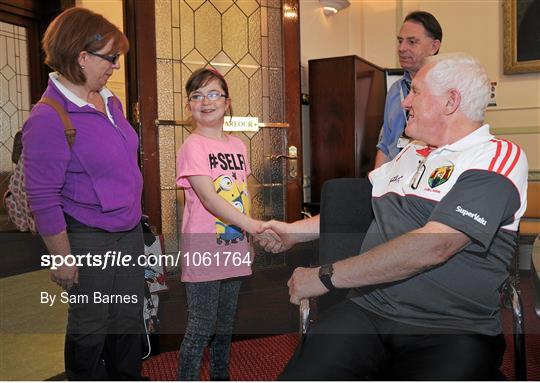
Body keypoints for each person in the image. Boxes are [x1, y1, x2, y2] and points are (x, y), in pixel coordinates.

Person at [259, 53, 528, 380]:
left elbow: (434, 247)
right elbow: (360, 212)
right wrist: (293, 232)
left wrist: (325, 276)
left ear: (450, 102)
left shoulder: (496, 156)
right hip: (367, 312)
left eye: (415, 91)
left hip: (451, 327)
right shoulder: (412, 152)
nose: (404, 102)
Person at [23, 7, 145, 380]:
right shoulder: (48, 117)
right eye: (110, 58)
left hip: (128, 231)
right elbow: (42, 196)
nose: (115, 66)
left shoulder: (110, 101)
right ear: (81, 56)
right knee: (92, 323)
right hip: (89, 236)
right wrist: (62, 259)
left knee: (127, 316)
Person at [175, 68, 280, 380]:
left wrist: (250, 233)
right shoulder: (192, 146)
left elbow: (244, 192)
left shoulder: (238, 146)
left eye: (213, 94)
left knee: (225, 325)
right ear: (189, 105)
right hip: (204, 246)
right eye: (196, 95)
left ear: (227, 102)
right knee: (201, 327)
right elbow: (209, 199)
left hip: (234, 244)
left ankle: (221, 376)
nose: (205, 101)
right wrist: (255, 225)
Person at [374, 11, 442, 168]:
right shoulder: (394, 91)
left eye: (411, 42)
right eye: (400, 41)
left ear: (434, 47)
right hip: (393, 182)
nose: (401, 48)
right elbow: (385, 145)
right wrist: (376, 186)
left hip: (426, 182)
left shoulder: (446, 90)